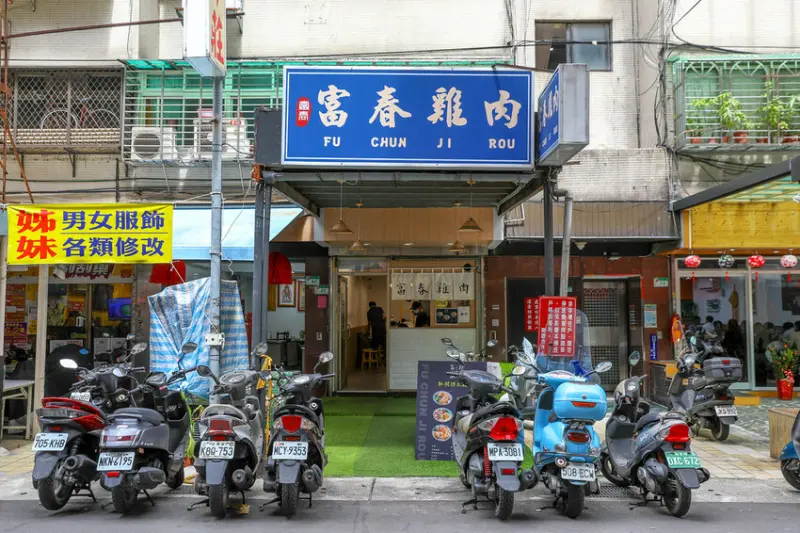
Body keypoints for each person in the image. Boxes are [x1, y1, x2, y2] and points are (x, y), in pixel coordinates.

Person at [533, 309, 598, 384]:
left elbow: (587, 369)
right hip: (551, 384)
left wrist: (588, 376)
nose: (562, 328)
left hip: (573, 385)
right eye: (558, 324)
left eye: (566, 324)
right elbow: (539, 367)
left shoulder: (578, 345)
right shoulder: (546, 343)